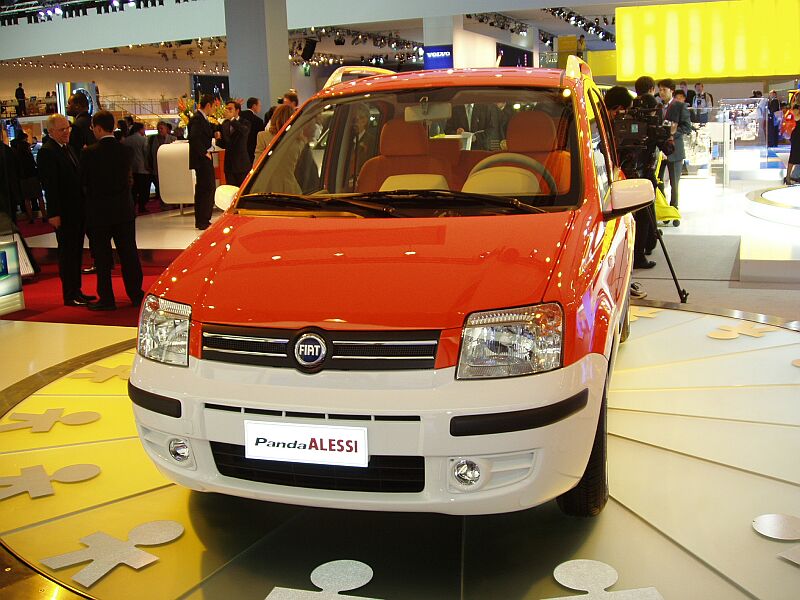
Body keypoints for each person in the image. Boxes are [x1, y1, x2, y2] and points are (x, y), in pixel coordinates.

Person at [79, 110, 144, 311]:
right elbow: (128, 179)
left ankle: (107, 298)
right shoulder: (125, 151)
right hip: (123, 210)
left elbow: (84, 183)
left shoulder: (88, 152)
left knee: (103, 257)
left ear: (98, 128)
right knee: (129, 254)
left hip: (99, 213)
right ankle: (135, 295)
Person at [36, 114, 96, 307]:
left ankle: (76, 290)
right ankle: (70, 293)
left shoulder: (68, 149)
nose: (66, 132)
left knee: (76, 251)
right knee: (68, 253)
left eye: (67, 128)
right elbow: (50, 185)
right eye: (62, 130)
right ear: (51, 131)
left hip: (76, 210)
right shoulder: (48, 152)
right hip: (64, 212)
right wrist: (53, 214)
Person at [657, 79, 692, 212]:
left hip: (675, 149)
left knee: (674, 183)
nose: (661, 92)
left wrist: (673, 133)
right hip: (660, 150)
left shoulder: (679, 106)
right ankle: (664, 208)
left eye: (664, 90)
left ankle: (674, 207)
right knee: (658, 180)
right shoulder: (658, 107)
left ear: (671, 91)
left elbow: (687, 127)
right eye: (659, 90)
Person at [188, 94, 216, 230]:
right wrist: (204, 153)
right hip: (202, 160)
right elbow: (194, 137)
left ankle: (202, 220)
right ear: (209, 105)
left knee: (203, 189)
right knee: (207, 188)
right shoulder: (198, 119)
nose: (214, 109)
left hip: (202, 159)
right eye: (214, 106)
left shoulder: (201, 119)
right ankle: (203, 220)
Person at [10, 131, 46, 223]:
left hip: (23, 178)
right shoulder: (28, 154)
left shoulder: (17, 155)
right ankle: (44, 215)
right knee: (39, 196)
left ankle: (30, 218)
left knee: (27, 199)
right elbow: (34, 164)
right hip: (33, 176)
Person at [214, 100, 251, 187]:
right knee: (230, 190)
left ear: (237, 111)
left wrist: (232, 119)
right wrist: (218, 139)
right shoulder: (225, 124)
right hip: (229, 164)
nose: (227, 111)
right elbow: (224, 143)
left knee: (242, 190)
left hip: (241, 163)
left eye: (230, 109)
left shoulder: (245, 122)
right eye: (226, 109)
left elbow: (244, 131)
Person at [121, 122, 151, 213]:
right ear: (140, 129)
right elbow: (146, 153)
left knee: (134, 190)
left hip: (131, 168)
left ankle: (132, 207)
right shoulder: (144, 140)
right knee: (143, 189)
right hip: (142, 168)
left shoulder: (127, 140)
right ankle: (142, 206)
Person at [147, 121, 176, 202]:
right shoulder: (152, 140)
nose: (160, 130)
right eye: (158, 128)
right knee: (159, 186)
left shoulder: (173, 139)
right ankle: (162, 201)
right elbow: (149, 153)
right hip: (156, 167)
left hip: (170, 168)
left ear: (166, 129)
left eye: (161, 128)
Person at [239, 97, 264, 163]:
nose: (260, 108)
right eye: (259, 106)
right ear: (254, 106)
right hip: (253, 150)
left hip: (240, 150)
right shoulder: (258, 121)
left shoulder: (240, 115)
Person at [785, 105, 800, 185]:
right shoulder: (795, 113)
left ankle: (794, 176)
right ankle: (788, 177)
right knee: (793, 157)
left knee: (795, 157)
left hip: (797, 136)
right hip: (797, 137)